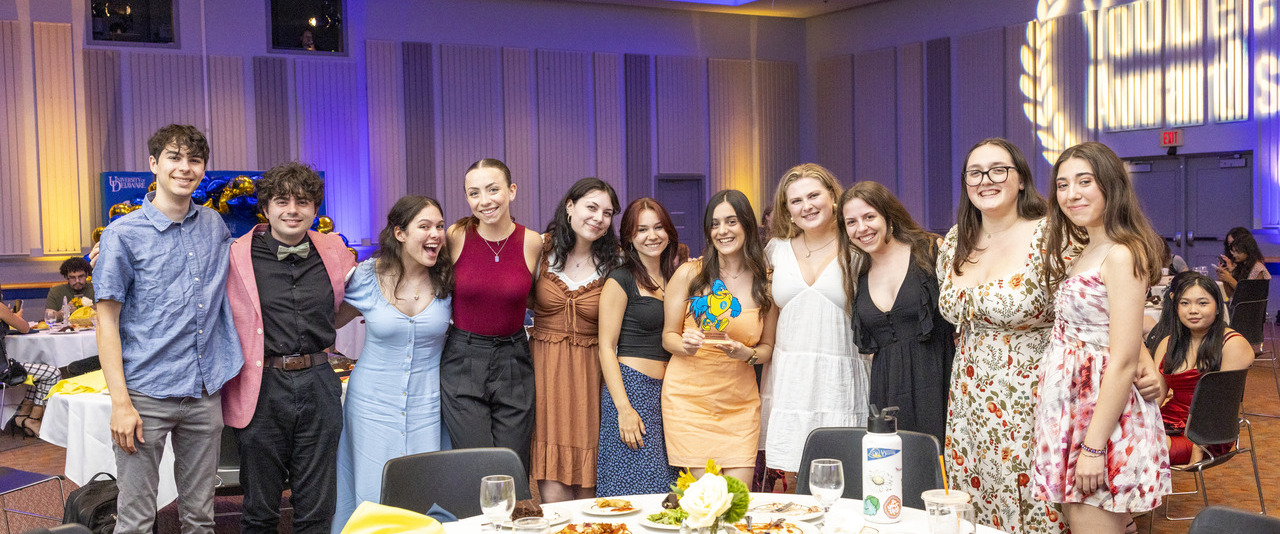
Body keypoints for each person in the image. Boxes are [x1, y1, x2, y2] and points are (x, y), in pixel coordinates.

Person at [93, 124, 243, 534]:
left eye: (194, 160)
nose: (185, 168)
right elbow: (105, 321)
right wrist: (121, 404)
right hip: (145, 396)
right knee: (137, 519)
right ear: (153, 164)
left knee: (199, 518)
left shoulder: (215, 226)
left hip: (202, 393)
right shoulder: (123, 235)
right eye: (174, 158)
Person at [1034, 141, 1170, 533]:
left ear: (1110, 186)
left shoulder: (1122, 254)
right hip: (1075, 412)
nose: (1071, 194)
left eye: (1084, 181)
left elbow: (1122, 358)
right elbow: (1114, 332)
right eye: (1062, 185)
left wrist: (1093, 448)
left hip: (1101, 421)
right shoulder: (1088, 247)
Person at [935, 138, 1064, 533]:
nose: (985, 180)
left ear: (1021, 179)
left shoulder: (1052, 235)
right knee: (976, 494)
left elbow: (1090, 309)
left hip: (1032, 394)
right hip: (969, 398)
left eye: (998, 170)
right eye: (975, 172)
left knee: (1035, 500)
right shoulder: (957, 239)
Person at [220, 162, 356, 534]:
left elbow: (356, 299)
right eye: (282, 201)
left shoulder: (334, 250)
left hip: (318, 383)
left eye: (304, 201)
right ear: (266, 207)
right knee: (260, 508)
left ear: (315, 209)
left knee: (316, 507)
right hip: (261, 386)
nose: (293, 210)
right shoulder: (234, 255)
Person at [333, 195, 454, 531]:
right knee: (373, 495)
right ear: (400, 233)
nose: (435, 234)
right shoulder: (366, 277)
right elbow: (325, 323)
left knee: (424, 494)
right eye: (425, 226)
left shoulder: (448, 280)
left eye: (440, 226)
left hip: (428, 407)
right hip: (371, 407)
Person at [759, 163, 867, 489]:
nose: (806, 206)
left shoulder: (859, 247)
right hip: (790, 380)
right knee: (790, 486)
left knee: (846, 484)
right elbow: (762, 312)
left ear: (833, 197)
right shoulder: (775, 251)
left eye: (814, 195)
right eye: (796, 201)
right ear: (787, 210)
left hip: (842, 379)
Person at [662, 190, 779, 483]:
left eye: (731, 222)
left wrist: (747, 354)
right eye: (715, 224)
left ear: (747, 226)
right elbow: (668, 337)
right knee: (707, 499)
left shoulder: (767, 281)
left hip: (739, 405)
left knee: (740, 501)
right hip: (690, 403)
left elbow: (767, 347)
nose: (722, 231)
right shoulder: (690, 274)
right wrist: (685, 344)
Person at [442, 158, 542, 473]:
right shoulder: (456, 235)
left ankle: (509, 522)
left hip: (514, 357)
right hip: (463, 356)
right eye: (474, 193)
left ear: (512, 191)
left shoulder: (533, 241)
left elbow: (539, 300)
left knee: (512, 464)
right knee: (475, 465)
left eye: (493, 189)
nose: (484, 201)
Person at [530, 178, 621, 502]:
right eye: (592, 207)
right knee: (551, 489)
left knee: (590, 493)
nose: (599, 218)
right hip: (544, 376)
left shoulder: (616, 263)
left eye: (608, 213)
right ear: (570, 206)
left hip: (591, 377)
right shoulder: (539, 250)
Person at [841, 181, 952, 444]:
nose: (862, 228)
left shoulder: (931, 250)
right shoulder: (858, 272)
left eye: (869, 217)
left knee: (940, 471)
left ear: (888, 216)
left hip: (938, 381)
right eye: (851, 222)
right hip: (887, 391)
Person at [596, 198, 681, 497]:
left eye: (658, 227)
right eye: (642, 229)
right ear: (630, 237)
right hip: (632, 391)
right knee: (632, 489)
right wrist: (623, 409)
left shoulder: (675, 279)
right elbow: (606, 347)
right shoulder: (620, 280)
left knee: (669, 491)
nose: (652, 235)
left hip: (671, 395)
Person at [1151, 272, 1252, 465]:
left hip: (1208, 434)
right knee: (1115, 442)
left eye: (1202, 303)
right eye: (1185, 303)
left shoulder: (1232, 344)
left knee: (1135, 450)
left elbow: (1221, 406)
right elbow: (1156, 397)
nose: (1193, 310)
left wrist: (1196, 449)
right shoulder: (1168, 343)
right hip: (1168, 424)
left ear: (1217, 307)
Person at [3, 285, 60, 438]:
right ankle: (34, 419)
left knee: (40, 370)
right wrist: (17, 317)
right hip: (2, 368)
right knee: (52, 373)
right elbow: (24, 328)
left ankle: (22, 416)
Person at [1216, 227, 1271, 300]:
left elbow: (1252, 298)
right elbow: (1230, 295)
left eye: (1237, 252)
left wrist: (1230, 279)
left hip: (1249, 310)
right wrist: (1224, 278)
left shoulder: (1258, 269)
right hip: (1235, 308)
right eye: (1233, 251)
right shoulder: (1240, 265)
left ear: (1248, 250)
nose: (1234, 255)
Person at [45, 256, 95, 321]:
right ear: (66, 277)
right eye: (72, 277)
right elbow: (49, 317)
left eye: (81, 276)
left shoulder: (96, 289)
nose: (77, 281)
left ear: (87, 274)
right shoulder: (56, 291)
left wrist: (97, 309)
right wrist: (62, 312)